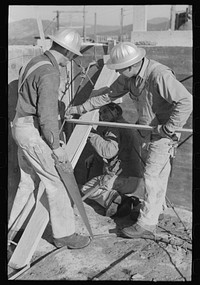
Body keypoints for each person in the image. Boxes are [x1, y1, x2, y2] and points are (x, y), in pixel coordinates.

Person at [66, 41, 193, 239]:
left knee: (152, 176)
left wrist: (169, 127)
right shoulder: (129, 77)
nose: (117, 73)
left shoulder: (159, 75)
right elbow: (108, 95)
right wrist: (80, 109)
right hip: (147, 130)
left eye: (119, 69)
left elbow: (186, 101)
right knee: (156, 175)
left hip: (163, 133)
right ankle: (154, 211)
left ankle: (146, 225)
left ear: (132, 65)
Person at [8, 28, 91, 250]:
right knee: (57, 183)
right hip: (33, 133)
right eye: (72, 55)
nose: (69, 61)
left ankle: (13, 231)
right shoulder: (50, 73)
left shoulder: (33, 62)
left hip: (20, 127)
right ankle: (65, 235)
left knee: (27, 184)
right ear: (67, 51)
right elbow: (46, 115)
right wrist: (56, 147)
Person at [82, 102, 143, 217]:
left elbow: (109, 152)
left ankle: (116, 199)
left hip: (122, 178)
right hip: (135, 179)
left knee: (87, 188)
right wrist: (95, 156)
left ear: (115, 111)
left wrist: (92, 136)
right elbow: (122, 150)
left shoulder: (115, 127)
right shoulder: (129, 127)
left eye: (105, 111)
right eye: (100, 113)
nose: (102, 115)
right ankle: (131, 203)